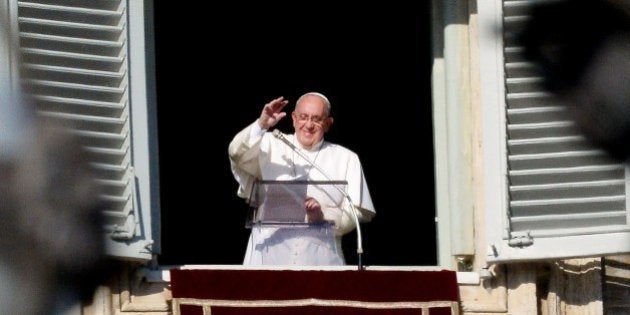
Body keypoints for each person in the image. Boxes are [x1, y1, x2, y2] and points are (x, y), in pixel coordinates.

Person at [228, 92, 375, 265]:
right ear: (294, 118)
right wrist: (261, 125)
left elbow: (357, 211)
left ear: (328, 124)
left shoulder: (346, 158)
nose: (309, 125)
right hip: (266, 256)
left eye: (317, 119)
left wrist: (323, 216)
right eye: (303, 117)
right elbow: (237, 154)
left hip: (319, 260)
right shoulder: (269, 143)